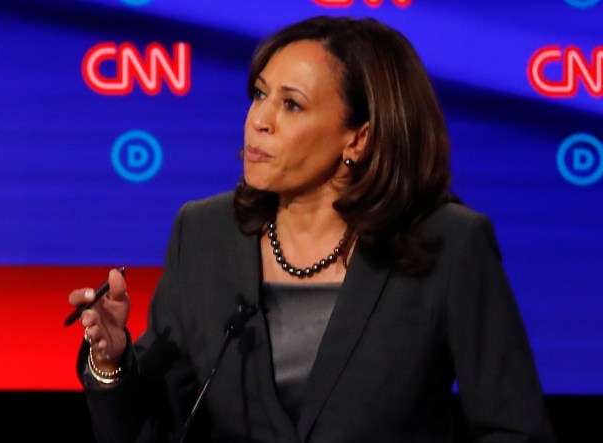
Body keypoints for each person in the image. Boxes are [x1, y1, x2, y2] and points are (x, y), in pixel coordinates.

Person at [68, 15, 557, 443]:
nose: (260, 120)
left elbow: (514, 429)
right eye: (259, 95)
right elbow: (149, 430)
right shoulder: (203, 233)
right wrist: (111, 361)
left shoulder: (448, 244)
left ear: (358, 138)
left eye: (291, 105)